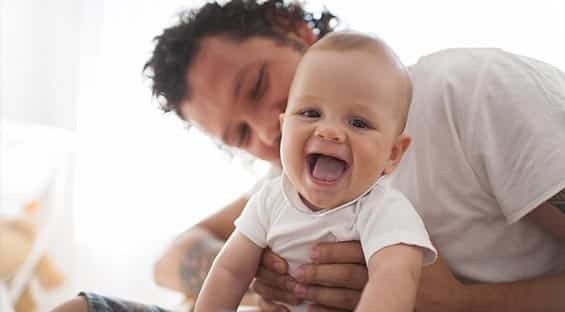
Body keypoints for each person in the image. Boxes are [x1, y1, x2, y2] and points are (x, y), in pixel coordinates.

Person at [52, 0, 565, 311]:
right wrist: (262, 276)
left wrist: (459, 305)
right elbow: (172, 256)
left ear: (291, 28)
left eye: (256, 87)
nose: (267, 135)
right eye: (239, 135)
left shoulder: (469, 94)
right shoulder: (293, 187)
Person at [194, 31, 437, 312]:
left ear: (393, 154)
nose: (329, 131)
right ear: (285, 127)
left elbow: (393, 281)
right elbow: (229, 271)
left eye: (358, 122)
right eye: (310, 113)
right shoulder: (270, 200)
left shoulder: (383, 210)